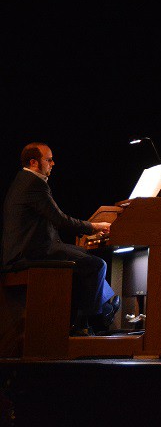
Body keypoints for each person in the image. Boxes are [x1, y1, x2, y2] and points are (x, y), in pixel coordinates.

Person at [2, 142, 120, 335]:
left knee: (84, 255)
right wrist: (93, 227)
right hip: (32, 252)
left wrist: (89, 231)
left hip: (29, 248)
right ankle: (85, 324)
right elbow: (60, 219)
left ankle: (106, 305)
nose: (53, 163)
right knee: (97, 265)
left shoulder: (23, 180)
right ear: (34, 162)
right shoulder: (34, 184)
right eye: (48, 160)